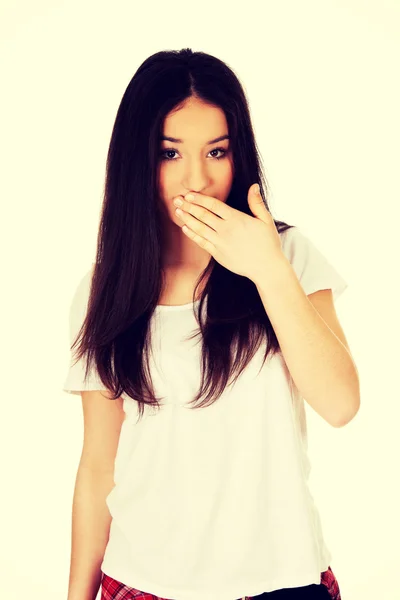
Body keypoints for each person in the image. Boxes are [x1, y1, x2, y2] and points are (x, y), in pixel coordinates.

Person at [63, 48, 358, 600]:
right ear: (137, 160)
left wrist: (265, 268)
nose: (196, 178)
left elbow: (341, 404)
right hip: (144, 583)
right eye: (170, 152)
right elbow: (98, 467)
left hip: (282, 580)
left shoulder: (286, 255)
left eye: (216, 151)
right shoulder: (104, 289)